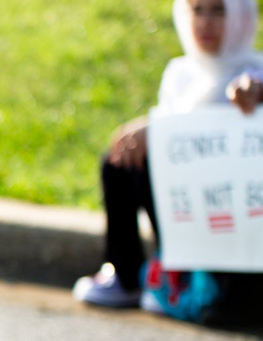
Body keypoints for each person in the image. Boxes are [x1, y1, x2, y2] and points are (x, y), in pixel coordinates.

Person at [73, 0, 263, 307]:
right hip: (185, 214)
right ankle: (126, 274)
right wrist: (149, 129)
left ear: (240, 17)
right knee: (120, 158)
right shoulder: (180, 74)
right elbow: (173, 136)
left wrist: (255, 91)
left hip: (236, 225)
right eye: (197, 10)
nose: (205, 22)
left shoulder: (253, 71)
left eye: (218, 11)